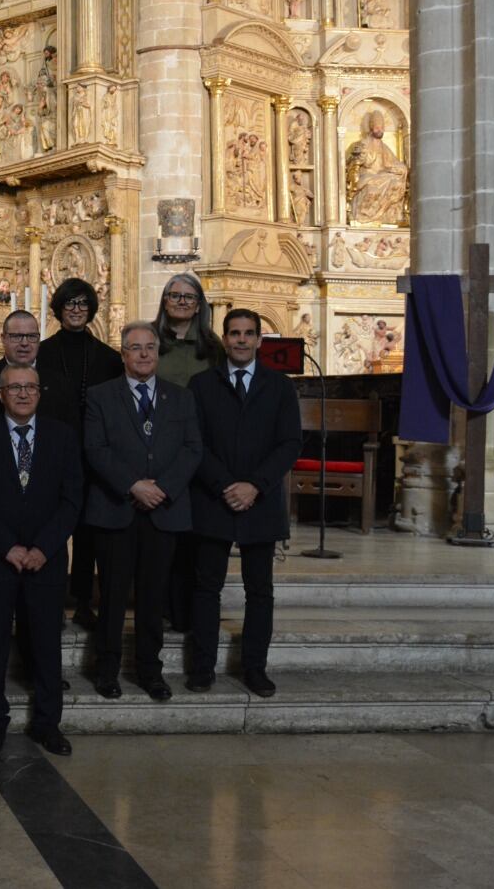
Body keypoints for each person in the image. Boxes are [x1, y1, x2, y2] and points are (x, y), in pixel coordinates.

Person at [0, 365, 82, 756]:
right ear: (1, 394)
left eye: (31, 386)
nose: (24, 394)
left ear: (40, 392)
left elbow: (71, 500)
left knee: (47, 644)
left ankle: (48, 724)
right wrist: (7, 547)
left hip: (45, 559)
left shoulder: (63, 437)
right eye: (15, 388)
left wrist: (43, 548)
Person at [82, 323, 202, 702]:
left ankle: (150, 671)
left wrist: (161, 488)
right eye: (136, 348)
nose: (145, 354)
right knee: (114, 596)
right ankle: (107, 670)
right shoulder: (100, 396)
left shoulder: (180, 398)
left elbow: (192, 449)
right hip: (116, 509)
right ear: (123, 353)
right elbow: (96, 449)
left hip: (164, 511)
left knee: (153, 597)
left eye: (150, 347)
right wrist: (133, 485)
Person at [187, 309, 303, 699]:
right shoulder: (201, 385)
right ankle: (201, 669)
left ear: (259, 340)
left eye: (248, 333)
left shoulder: (280, 386)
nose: (240, 340)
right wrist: (225, 485)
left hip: (262, 501)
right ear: (224, 338)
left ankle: (254, 668)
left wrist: (254, 485)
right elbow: (195, 443)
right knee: (205, 589)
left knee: (260, 591)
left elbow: (289, 443)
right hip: (213, 500)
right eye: (234, 333)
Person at [35, 279, 122, 631]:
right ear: (58, 308)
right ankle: (48, 598)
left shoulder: (109, 358)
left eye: (83, 303)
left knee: (88, 534)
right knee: (49, 529)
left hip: (94, 458)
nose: (75, 309)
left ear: (91, 309)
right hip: (50, 455)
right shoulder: (40, 353)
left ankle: (84, 601)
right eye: (69, 303)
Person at [151, 272, 225, 632]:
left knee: (192, 537)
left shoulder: (213, 347)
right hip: (155, 449)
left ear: (200, 304)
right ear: (164, 301)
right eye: (174, 295)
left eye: (189, 296)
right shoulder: (149, 340)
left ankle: (187, 609)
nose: (181, 301)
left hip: (197, 448)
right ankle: (161, 606)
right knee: (160, 537)